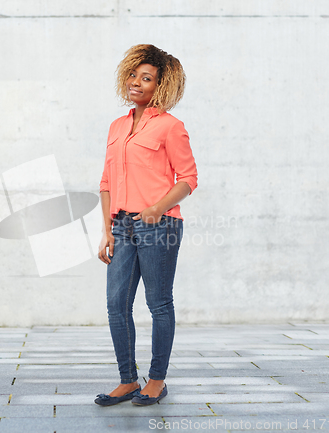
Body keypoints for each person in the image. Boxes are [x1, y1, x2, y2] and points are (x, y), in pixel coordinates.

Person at [95, 44, 198, 407]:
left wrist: (157, 208)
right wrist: (107, 229)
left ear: (161, 86)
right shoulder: (117, 127)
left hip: (160, 225)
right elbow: (106, 182)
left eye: (146, 78)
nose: (136, 82)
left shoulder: (171, 127)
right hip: (121, 226)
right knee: (115, 304)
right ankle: (127, 380)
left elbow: (188, 178)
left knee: (158, 304)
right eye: (133, 75)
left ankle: (156, 380)